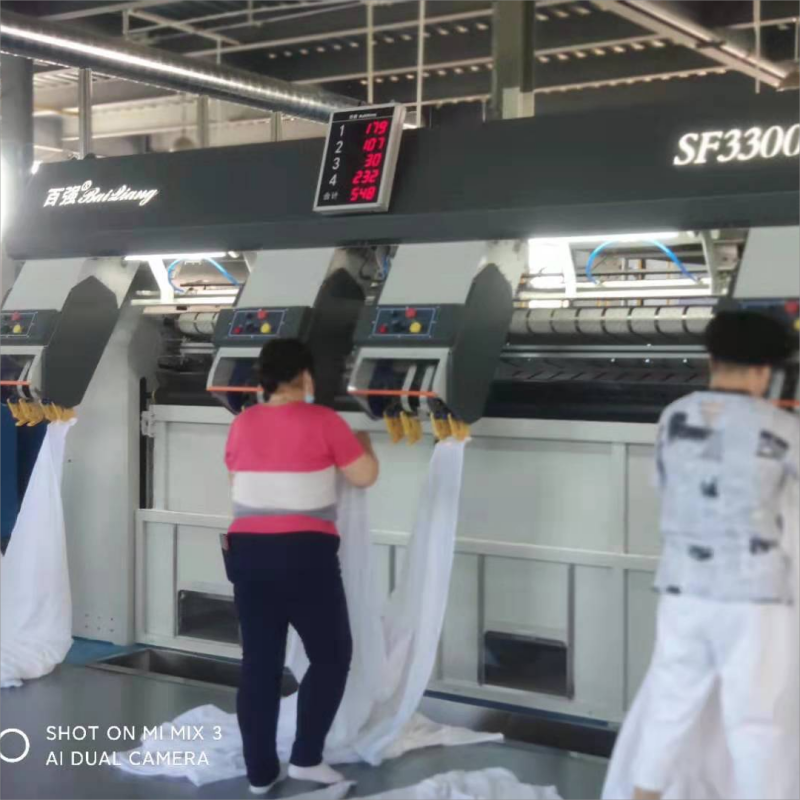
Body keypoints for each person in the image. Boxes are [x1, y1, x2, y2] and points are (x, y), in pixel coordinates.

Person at [629, 310, 798, 800]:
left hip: (683, 589)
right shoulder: (782, 427)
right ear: (766, 371)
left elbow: (665, 485)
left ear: (710, 359)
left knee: (669, 707)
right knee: (756, 722)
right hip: (754, 597)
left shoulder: (674, 416)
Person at [222, 339, 379, 795]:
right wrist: (365, 444)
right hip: (305, 554)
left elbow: (237, 481)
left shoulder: (242, 423)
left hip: (246, 553)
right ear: (306, 377)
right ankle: (306, 758)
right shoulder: (325, 421)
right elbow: (364, 476)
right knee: (331, 656)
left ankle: (259, 773)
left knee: (260, 664)